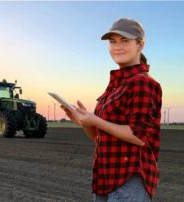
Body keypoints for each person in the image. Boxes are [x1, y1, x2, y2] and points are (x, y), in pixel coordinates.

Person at [61, 18, 162, 202]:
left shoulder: (142, 82)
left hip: (129, 180)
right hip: (104, 178)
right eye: (112, 41)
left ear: (140, 45)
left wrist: (95, 120)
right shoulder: (115, 86)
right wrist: (84, 122)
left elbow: (138, 136)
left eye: (125, 40)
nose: (117, 46)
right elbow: (99, 137)